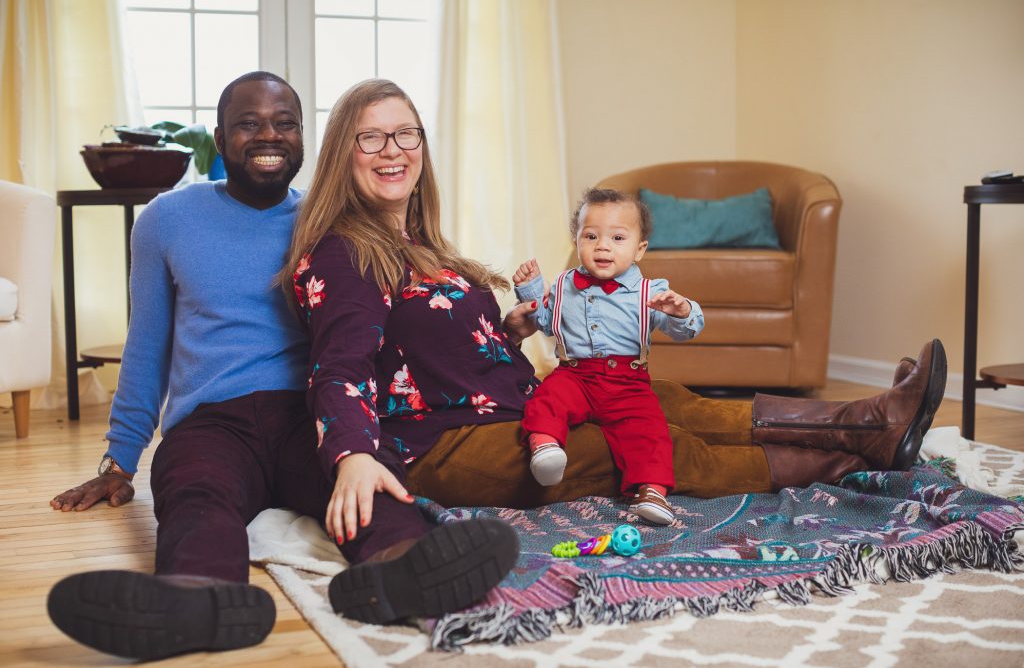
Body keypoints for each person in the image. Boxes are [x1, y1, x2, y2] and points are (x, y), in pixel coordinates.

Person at [284, 77, 947, 625]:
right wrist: (351, 454)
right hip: (447, 444)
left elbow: (432, 339)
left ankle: (872, 424)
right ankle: (844, 458)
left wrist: (509, 329)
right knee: (635, 448)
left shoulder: (425, 246)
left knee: (661, 398)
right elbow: (338, 362)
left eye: (406, 133)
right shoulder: (343, 254)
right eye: (371, 137)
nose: (392, 149)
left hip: (522, 402)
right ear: (345, 151)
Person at [45, 71, 519, 662]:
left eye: (285, 123)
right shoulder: (167, 220)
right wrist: (120, 458)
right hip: (211, 422)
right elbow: (147, 346)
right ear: (219, 139)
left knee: (366, 481)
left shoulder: (333, 226)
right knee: (195, 496)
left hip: (308, 412)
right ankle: (199, 599)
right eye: (249, 123)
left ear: (304, 140)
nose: (269, 135)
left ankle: (401, 572)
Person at [511, 188, 704, 525]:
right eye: (591, 236)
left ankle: (652, 491)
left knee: (649, 430)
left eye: (617, 237)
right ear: (577, 241)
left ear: (639, 248)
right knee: (546, 397)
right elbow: (544, 321)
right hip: (575, 375)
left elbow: (687, 330)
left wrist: (680, 310)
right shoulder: (563, 285)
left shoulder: (651, 291)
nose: (602, 245)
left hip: (627, 382)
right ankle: (545, 448)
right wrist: (530, 291)